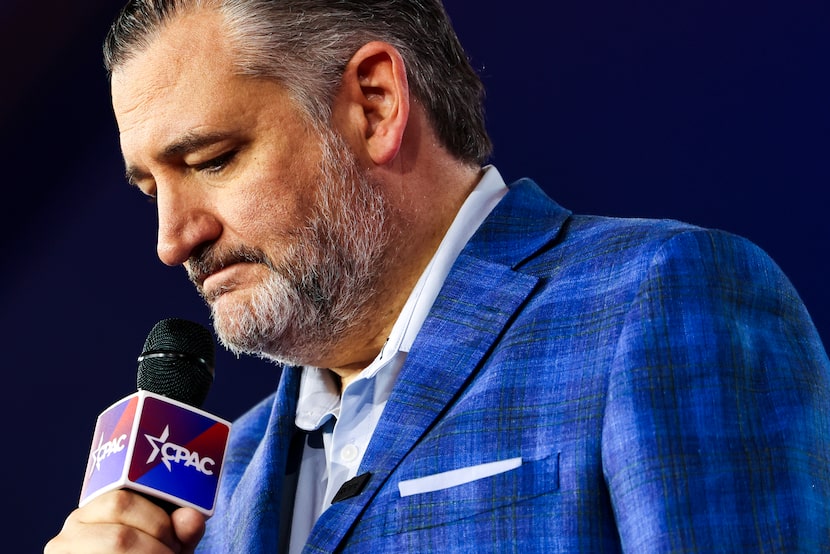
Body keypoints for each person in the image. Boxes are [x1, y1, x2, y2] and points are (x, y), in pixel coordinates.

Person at [45, 0, 830, 552]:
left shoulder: (660, 299)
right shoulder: (217, 483)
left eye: (212, 159)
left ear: (375, 103)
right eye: (151, 190)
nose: (173, 240)